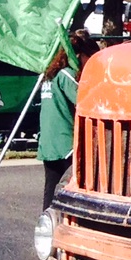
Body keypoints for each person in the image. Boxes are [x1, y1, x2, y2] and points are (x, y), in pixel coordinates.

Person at [37, 32, 95, 207]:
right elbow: (86, 103)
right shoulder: (67, 75)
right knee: (74, 188)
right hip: (65, 143)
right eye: (89, 58)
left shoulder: (50, 75)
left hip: (48, 142)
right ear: (79, 55)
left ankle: (47, 221)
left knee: (51, 187)